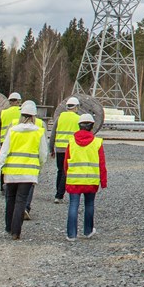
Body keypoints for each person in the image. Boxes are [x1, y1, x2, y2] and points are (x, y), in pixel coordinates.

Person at [0, 100, 49, 240]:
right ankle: (16, 232)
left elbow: (4, 151)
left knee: (10, 199)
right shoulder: (38, 132)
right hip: (29, 173)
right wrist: (39, 167)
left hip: (11, 172)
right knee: (21, 201)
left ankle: (8, 227)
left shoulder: (12, 131)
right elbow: (43, 154)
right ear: (33, 117)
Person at [64, 112, 108, 240]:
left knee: (73, 205)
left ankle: (71, 234)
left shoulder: (71, 142)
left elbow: (66, 161)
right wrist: (103, 181)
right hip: (91, 180)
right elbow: (101, 163)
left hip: (74, 180)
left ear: (79, 126)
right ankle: (88, 231)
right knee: (89, 205)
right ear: (92, 126)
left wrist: (67, 176)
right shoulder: (97, 142)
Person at [49, 97, 82, 202]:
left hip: (59, 148)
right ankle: (59, 195)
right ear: (76, 107)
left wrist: (51, 149)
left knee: (60, 170)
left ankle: (58, 192)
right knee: (65, 171)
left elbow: (53, 134)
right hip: (71, 149)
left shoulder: (60, 117)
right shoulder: (78, 119)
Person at [0, 91, 23, 195]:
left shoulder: (3, 113)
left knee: (4, 163)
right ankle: (16, 184)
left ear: (9, 101)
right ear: (19, 101)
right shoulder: (22, 113)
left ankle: (3, 187)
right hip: (18, 141)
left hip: (4, 141)